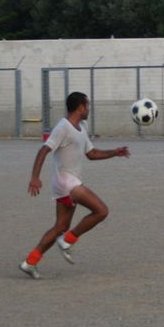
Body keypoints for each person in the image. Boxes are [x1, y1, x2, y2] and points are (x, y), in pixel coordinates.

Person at [19, 92, 130, 279]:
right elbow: (44, 150)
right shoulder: (63, 127)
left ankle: (30, 262)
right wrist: (34, 177)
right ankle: (68, 240)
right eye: (87, 105)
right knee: (101, 211)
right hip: (67, 183)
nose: (89, 109)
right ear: (80, 107)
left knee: (60, 226)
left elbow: (92, 154)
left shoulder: (81, 127)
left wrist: (115, 152)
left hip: (67, 183)